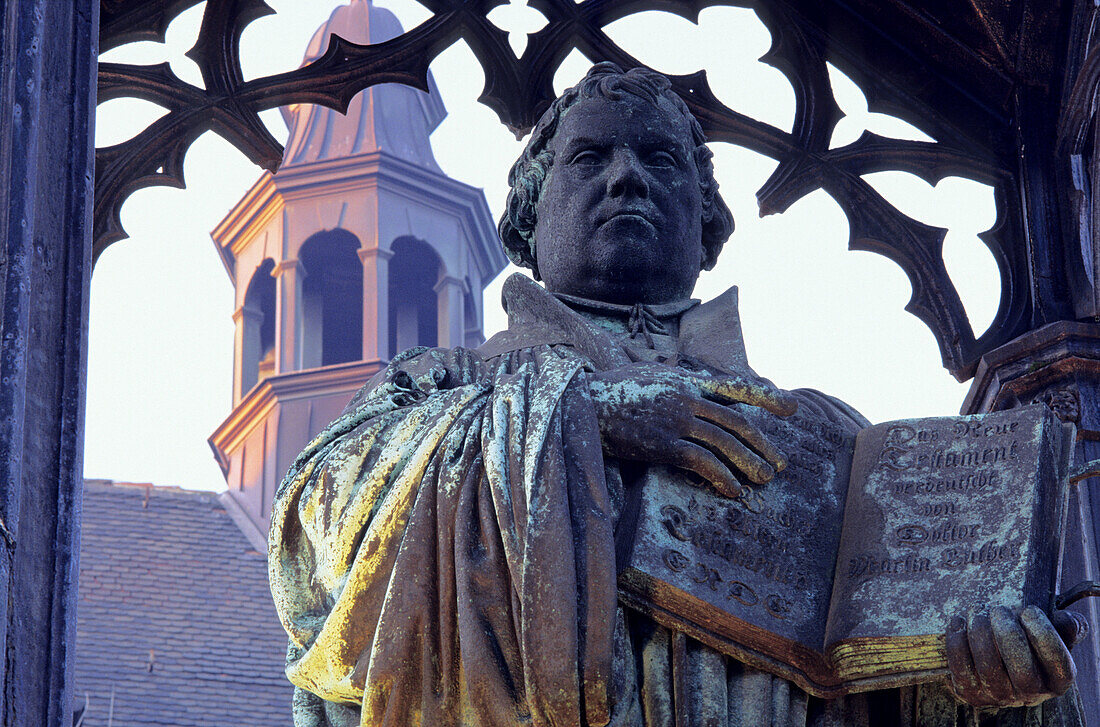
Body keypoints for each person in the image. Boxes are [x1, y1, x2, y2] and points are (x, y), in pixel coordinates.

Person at [269, 63, 1085, 727]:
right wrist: (586, 417)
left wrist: (986, 692)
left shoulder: (833, 445)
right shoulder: (439, 391)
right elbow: (313, 548)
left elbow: (887, 687)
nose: (627, 177)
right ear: (527, 216)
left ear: (706, 224)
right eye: (590, 159)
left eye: (660, 160)